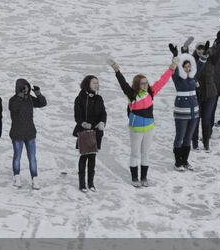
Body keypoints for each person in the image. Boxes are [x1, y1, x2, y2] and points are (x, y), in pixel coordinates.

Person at [109, 52, 176, 187]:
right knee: (135, 154)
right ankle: (135, 179)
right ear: (137, 84)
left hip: (149, 128)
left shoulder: (151, 92)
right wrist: (117, 70)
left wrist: (171, 68)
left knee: (145, 154)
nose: (145, 85)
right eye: (142, 83)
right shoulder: (132, 94)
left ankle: (144, 178)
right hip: (136, 128)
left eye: (146, 83)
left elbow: (162, 81)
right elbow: (122, 83)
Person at [7, 79, 47, 189]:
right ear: (18, 88)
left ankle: (35, 179)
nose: (26, 89)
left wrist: (38, 93)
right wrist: (20, 96)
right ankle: (17, 177)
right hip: (17, 133)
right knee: (17, 157)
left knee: (32, 158)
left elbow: (42, 103)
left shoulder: (30, 99)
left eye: (27, 87)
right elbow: (13, 109)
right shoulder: (13, 100)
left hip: (30, 133)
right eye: (23, 87)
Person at [72, 75, 106, 193]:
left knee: (92, 157)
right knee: (84, 156)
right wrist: (83, 123)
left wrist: (102, 122)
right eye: (93, 83)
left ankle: (91, 183)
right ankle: (82, 184)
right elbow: (77, 116)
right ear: (87, 84)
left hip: (96, 132)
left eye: (97, 83)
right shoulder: (80, 98)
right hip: (84, 131)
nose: (96, 85)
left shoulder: (99, 98)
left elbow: (103, 113)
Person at [170, 47, 201, 165]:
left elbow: (200, 66)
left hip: (194, 112)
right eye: (185, 66)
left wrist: (204, 55)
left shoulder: (193, 78)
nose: (188, 68)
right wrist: (175, 56)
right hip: (181, 112)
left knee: (188, 138)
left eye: (189, 66)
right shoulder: (178, 79)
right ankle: (178, 162)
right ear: (181, 68)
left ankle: (185, 160)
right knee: (180, 136)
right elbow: (174, 70)